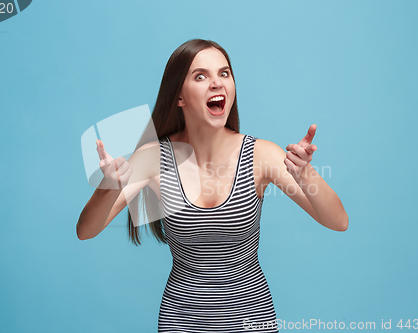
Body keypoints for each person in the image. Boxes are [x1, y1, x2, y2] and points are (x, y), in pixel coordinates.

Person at [76, 39, 348, 332]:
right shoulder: (153, 158)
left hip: (251, 322)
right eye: (200, 76)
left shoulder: (261, 155)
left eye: (224, 74)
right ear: (179, 97)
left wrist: (305, 174)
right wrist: (109, 185)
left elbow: (338, 221)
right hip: (180, 323)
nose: (217, 83)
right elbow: (86, 231)